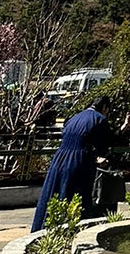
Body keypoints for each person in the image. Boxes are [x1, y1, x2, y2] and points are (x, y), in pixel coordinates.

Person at [31, 96, 113, 231]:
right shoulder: (99, 120)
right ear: (104, 107)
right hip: (80, 160)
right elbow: (104, 144)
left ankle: (44, 228)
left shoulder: (74, 118)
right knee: (76, 196)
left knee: (55, 192)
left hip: (60, 158)